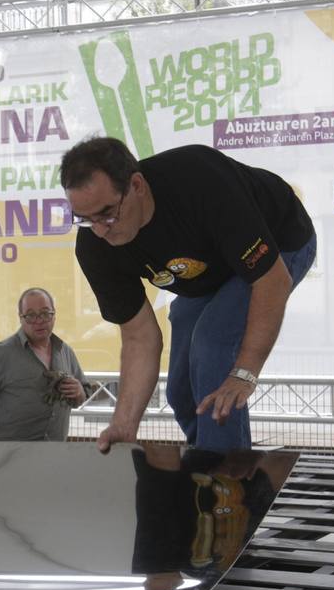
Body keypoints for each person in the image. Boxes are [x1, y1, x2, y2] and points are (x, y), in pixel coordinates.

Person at [61, 138, 316, 452]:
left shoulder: (201, 180)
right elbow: (140, 337)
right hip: (209, 275)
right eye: (85, 219)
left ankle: (226, 480)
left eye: (107, 213)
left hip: (280, 244)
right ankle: (205, 462)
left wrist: (244, 373)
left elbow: (272, 281)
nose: (100, 230)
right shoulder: (95, 246)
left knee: (212, 343)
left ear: (137, 185)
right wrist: (124, 423)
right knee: (181, 390)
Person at [0, 288, 88, 441]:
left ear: (54, 316)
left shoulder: (65, 351)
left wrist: (79, 393)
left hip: (54, 455)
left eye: (45, 313)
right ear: (20, 318)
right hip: (12, 456)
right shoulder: (1, 354)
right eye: (30, 315)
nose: (39, 321)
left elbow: (82, 395)